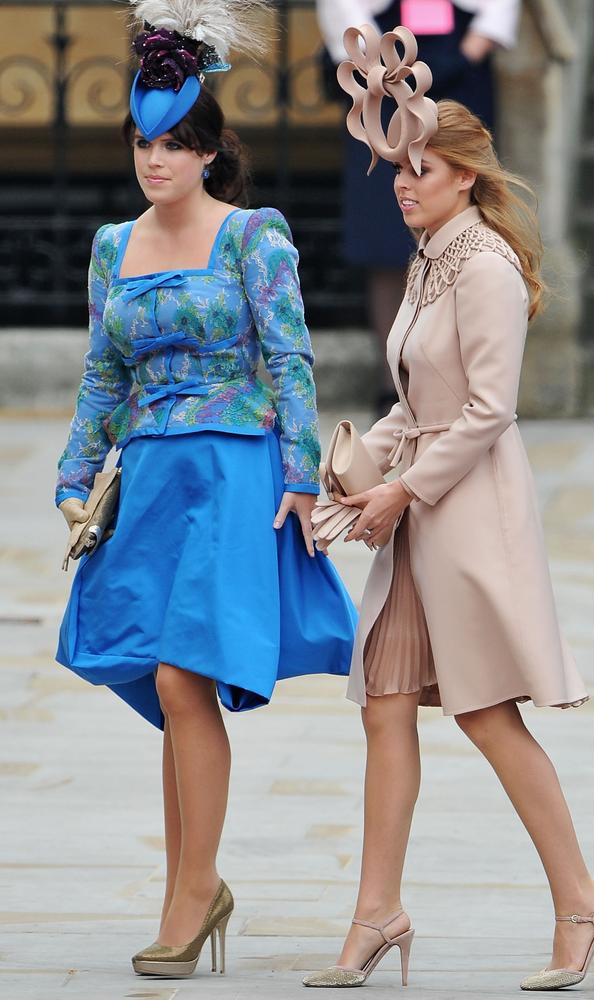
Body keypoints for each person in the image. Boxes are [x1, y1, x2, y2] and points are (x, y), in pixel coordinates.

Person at [303, 24, 594, 992]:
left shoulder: (479, 263)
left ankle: (583, 903)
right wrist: (357, 471)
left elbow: (487, 411)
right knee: (385, 707)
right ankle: (376, 912)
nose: (402, 182)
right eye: (396, 166)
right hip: (416, 514)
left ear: (466, 179)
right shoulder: (425, 258)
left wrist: (402, 489)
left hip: (467, 515)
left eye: (422, 169)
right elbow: (416, 400)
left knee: (485, 715)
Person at [55, 0, 356, 979]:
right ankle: (193, 886)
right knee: (160, 677)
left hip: (231, 473)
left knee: (188, 675)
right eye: (144, 142)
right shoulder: (113, 245)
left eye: (175, 144)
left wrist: (302, 478)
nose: (156, 161)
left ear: (209, 152)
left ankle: (192, 892)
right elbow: (104, 372)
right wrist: (73, 477)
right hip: (149, 475)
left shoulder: (253, 237)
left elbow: (290, 362)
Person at [316, 0, 521, 417]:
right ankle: (396, 384)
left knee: (466, 216)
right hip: (381, 69)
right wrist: (375, 59)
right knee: (389, 233)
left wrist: (471, 51)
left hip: (462, 61)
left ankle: (464, 382)